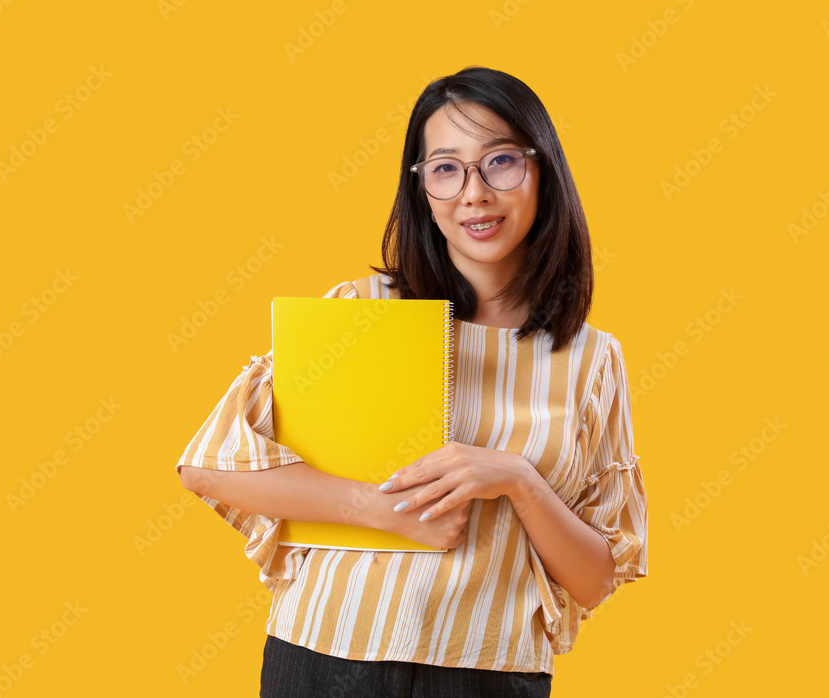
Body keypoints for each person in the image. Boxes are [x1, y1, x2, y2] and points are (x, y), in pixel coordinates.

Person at [175, 65, 649, 698]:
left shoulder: (593, 359)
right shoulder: (362, 312)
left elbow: (595, 579)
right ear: (422, 188)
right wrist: (384, 512)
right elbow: (208, 468)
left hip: (492, 676)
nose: (473, 194)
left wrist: (518, 481)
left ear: (544, 171)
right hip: (325, 659)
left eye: (500, 162)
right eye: (446, 169)